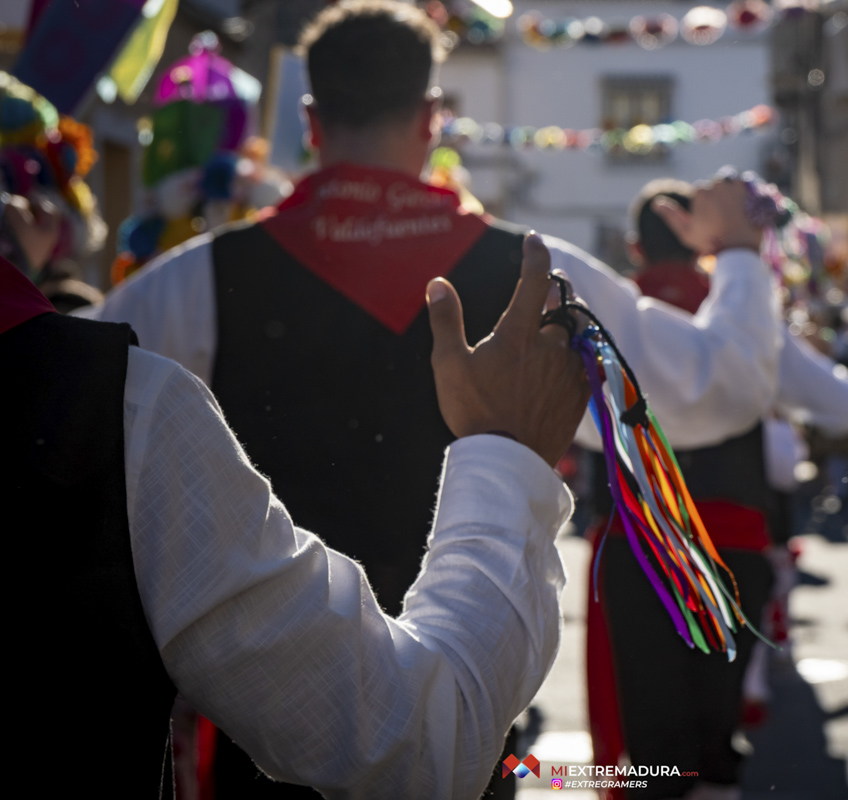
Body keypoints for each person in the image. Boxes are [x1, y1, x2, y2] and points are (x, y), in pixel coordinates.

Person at [83, 1, 780, 792]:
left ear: (312, 120)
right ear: (433, 117)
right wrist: (740, 254)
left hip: (269, 729)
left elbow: (73, 405)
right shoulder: (535, 275)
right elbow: (716, 390)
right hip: (470, 707)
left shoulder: (193, 281)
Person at [1, 236, 590, 797]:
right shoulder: (114, 401)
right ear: (429, 124)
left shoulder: (181, 282)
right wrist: (507, 451)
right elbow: (416, 745)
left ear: (311, 123)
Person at [585, 180, 848, 800]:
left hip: (639, 547)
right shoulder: (746, 318)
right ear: (704, 240)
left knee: (655, 751)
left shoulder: (611, 316)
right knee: (714, 742)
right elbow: (845, 407)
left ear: (634, 246)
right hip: (729, 543)